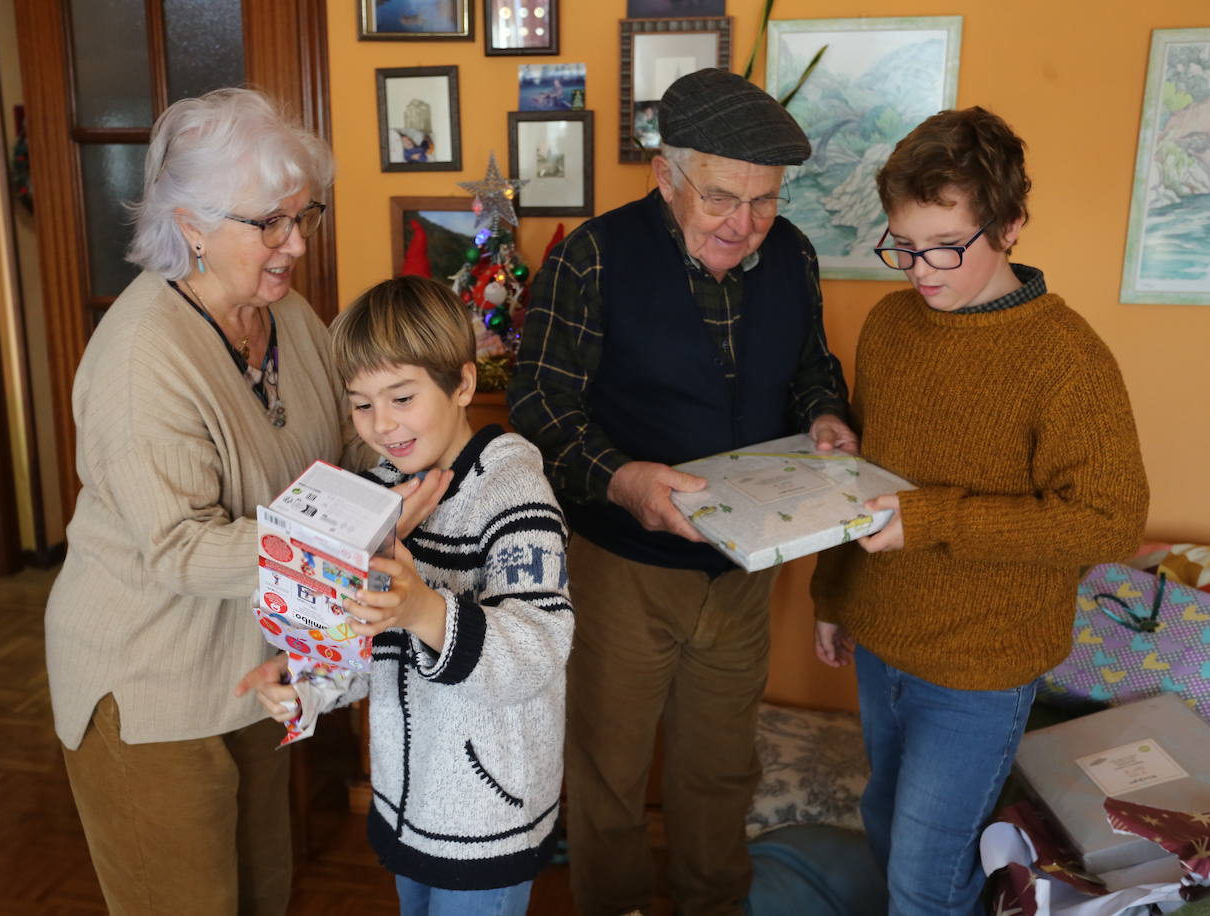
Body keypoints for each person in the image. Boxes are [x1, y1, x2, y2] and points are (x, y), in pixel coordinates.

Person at [44, 88, 445, 915]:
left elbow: (346, 441)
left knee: (265, 888)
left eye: (304, 217)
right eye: (270, 224)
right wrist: (353, 541)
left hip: (258, 663)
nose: (296, 244)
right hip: (147, 680)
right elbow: (182, 550)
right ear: (191, 224)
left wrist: (437, 452)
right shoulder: (140, 362)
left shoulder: (288, 316)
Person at [509, 68, 856, 916]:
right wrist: (622, 480)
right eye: (722, 198)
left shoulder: (795, 253)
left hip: (742, 568)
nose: (745, 224)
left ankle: (712, 905)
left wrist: (826, 418)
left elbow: (812, 367)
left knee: (719, 765)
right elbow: (539, 402)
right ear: (667, 175)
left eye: (765, 200)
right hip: (622, 565)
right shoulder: (593, 254)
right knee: (610, 767)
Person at [810, 106, 1149, 915]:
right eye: (904, 245)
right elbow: (868, 476)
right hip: (880, 640)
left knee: (925, 882)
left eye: (945, 248)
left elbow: (1108, 519)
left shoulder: (1066, 357)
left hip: (980, 669)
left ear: (1012, 226)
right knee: (887, 828)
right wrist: (834, 592)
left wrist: (934, 520)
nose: (921, 271)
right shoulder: (893, 325)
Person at [237, 276, 573, 916]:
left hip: (487, 820)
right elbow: (364, 639)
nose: (381, 425)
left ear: (463, 385)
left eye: (402, 396)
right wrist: (305, 677)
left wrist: (426, 610)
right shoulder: (376, 492)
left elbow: (539, 648)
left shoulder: (516, 497)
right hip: (406, 808)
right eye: (361, 404)